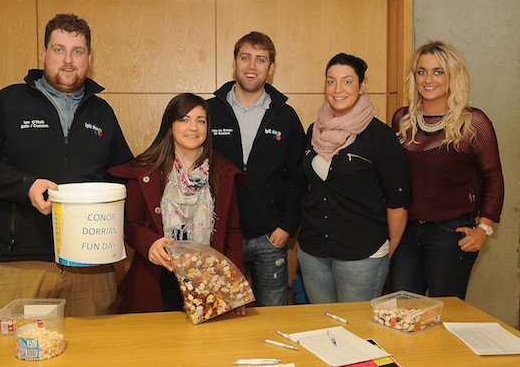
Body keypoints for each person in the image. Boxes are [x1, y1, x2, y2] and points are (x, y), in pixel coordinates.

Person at [0, 14, 133, 319]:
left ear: (89, 58)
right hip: (21, 263)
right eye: (58, 49)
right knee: (13, 359)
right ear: (44, 54)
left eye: (77, 51)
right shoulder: (10, 102)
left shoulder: (102, 113)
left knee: (94, 358)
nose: (68, 60)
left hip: (91, 268)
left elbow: (125, 177)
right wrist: (27, 186)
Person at [109, 93, 246, 314]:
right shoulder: (146, 169)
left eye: (201, 120)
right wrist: (150, 244)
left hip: (207, 283)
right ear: (169, 125)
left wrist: (235, 287)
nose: (193, 127)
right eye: (184, 119)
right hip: (157, 279)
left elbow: (232, 232)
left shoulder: (222, 172)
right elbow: (130, 224)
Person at [390, 41, 504, 299]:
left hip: (451, 235)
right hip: (406, 232)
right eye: (422, 71)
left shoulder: (474, 123)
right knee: (399, 311)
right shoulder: (401, 119)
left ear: (453, 76)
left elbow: (493, 179)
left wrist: (483, 230)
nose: (429, 79)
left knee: (446, 314)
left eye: (438, 71)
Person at [297, 53, 410, 303]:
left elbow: (398, 201)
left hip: (362, 255)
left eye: (347, 81)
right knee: (323, 328)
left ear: (362, 86)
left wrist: (386, 251)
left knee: (356, 333)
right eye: (331, 81)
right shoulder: (313, 131)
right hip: (313, 252)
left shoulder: (379, 135)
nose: (338, 89)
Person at [207, 32, 307, 306]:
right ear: (234, 63)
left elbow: (299, 176)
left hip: (269, 239)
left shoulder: (285, 116)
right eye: (245, 58)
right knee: (222, 315)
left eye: (260, 60)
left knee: (272, 317)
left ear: (270, 67)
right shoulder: (209, 111)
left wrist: (287, 226)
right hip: (221, 238)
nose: (252, 66)